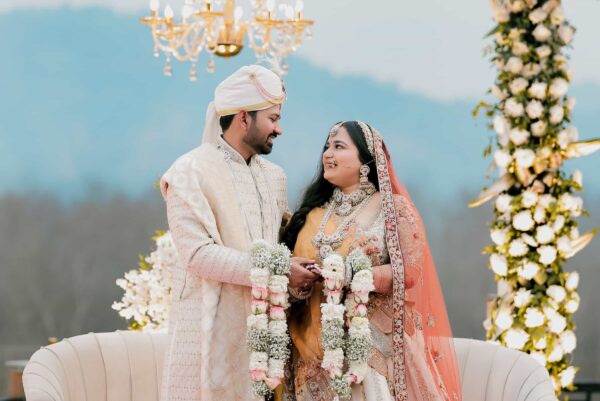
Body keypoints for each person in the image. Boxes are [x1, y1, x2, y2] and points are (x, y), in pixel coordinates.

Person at [159, 65, 319, 401]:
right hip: (209, 329)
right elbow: (197, 255)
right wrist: (278, 270)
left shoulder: (275, 176)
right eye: (273, 118)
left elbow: (282, 244)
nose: (280, 129)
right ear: (244, 117)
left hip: (266, 335)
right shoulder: (189, 172)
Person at [281, 121, 462, 401]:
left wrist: (355, 274)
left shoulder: (393, 209)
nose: (327, 154)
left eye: (338, 146)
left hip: (369, 350)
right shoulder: (311, 214)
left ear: (366, 160)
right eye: (327, 147)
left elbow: (410, 271)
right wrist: (300, 283)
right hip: (311, 351)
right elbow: (293, 270)